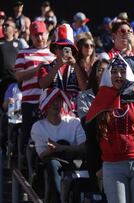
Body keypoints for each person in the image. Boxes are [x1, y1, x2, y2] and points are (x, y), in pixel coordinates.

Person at [85, 56, 134, 203]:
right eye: (114, 72)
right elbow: (92, 138)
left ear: (128, 75)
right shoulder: (101, 102)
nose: (118, 75)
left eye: (122, 71)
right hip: (113, 165)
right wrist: (96, 167)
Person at [14, 20, 55, 176]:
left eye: (42, 34)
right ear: (31, 35)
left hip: (49, 103)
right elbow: (18, 76)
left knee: (48, 137)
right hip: (30, 102)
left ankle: (42, 171)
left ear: (46, 34)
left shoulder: (52, 53)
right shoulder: (23, 53)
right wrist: (37, 69)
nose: (39, 38)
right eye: (36, 35)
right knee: (29, 136)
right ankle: (26, 167)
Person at [31, 87, 86, 202]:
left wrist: (61, 147)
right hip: (52, 162)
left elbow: (83, 148)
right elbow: (41, 154)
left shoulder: (74, 122)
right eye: (51, 101)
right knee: (52, 164)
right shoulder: (38, 126)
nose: (55, 104)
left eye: (58, 100)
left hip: (74, 161)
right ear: (45, 105)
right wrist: (52, 150)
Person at [38, 23, 88, 105]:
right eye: (61, 47)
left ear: (73, 50)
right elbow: (42, 85)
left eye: (68, 47)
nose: (64, 51)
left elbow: (84, 89)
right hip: (53, 115)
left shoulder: (80, 68)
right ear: (55, 49)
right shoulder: (46, 67)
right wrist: (58, 65)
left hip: (74, 114)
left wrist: (75, 65)